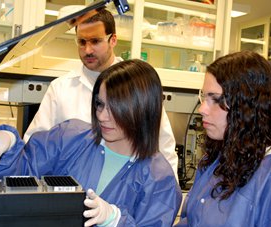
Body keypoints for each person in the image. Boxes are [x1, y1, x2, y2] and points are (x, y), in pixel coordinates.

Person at [0, 59, 182, 227]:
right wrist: (8, 147)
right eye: (99, 104)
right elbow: (21, 176)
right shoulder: (70, 137)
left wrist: (115, 222)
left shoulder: (159, 179)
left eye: (115, 108)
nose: (102, 116)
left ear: (142, 110)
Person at [23, 7, 179, 179]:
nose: (88, 50)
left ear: (113, 40)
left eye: (95, 41)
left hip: (126, 193)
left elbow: (164, 149)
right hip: (73, 194)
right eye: (82, 42)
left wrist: (168, 196)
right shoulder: (60, 89)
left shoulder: (137, 85)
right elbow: (34, 147)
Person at [171, 50, 271, 227]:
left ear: (248, 106)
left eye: (216, 99)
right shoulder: (213, 162)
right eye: (204, 97)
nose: (202, 109)